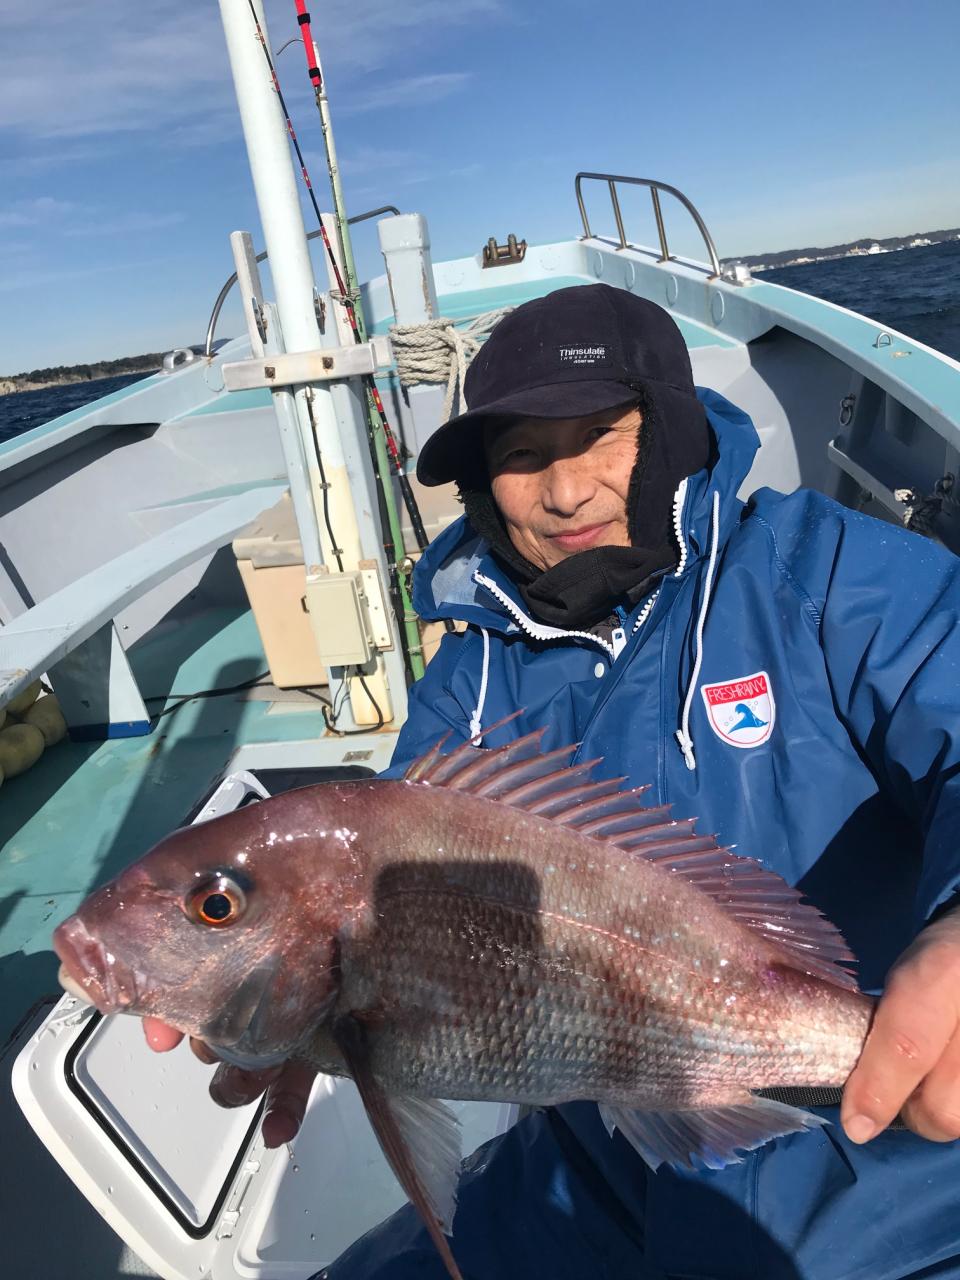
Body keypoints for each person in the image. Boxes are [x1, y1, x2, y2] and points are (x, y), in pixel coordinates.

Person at [145, 284, 960, 1278]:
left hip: (897, 1150)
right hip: (597, 1158)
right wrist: (309, 1014)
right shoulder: (468, 680)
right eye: (524, 455)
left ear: (670, 431)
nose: (565, 491)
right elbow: (388, 898)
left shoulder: (824, 571)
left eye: (599, 437)